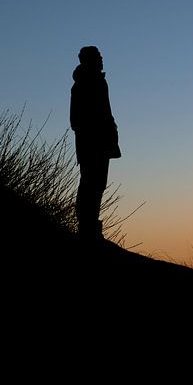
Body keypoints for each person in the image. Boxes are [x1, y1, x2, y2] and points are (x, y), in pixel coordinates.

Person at [70, 46, 121, 240]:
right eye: (97, 57)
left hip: (101, 141)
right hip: (92, 143)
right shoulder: (83, 84)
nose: (101, 60)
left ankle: (90, 224)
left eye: (101, 56)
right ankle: (86, 226)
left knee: (97, 183)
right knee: (91, 182)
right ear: (87, 60)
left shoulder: (98, 81)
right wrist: (96, 133)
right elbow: (76, 120)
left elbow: (105, 114)